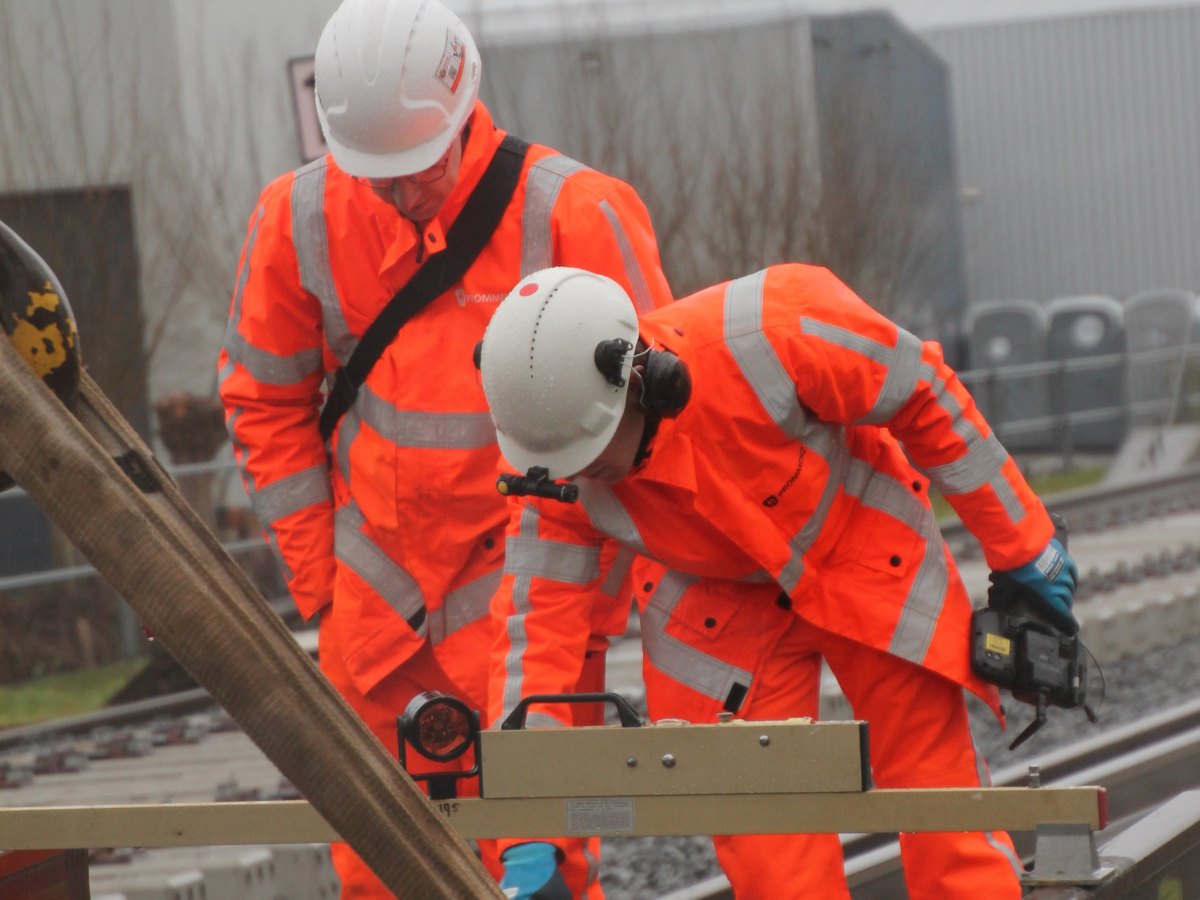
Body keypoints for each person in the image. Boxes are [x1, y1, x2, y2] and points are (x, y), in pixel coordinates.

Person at [217, 0, 673, 896]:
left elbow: (647, 436)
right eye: (375, 173)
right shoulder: (299, 217)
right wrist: (323, 587)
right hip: (377, 627)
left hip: (533, 622)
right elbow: (263, 405)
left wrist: (601, 609)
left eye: (415, 171)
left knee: (541, 875)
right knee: (383, 874)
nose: (395, 193)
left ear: (465, 113)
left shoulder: (577, 212)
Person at [479, 265, 1079, 899]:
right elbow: (532, 640)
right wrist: (526, 832)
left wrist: (1026, 551)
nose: (591, 476)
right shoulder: (551, 466)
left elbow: (925, 393)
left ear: (642, 383)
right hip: (713, 614)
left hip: (862, 559)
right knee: (773, 863)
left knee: (944, 813)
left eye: (599, 455)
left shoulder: (779, 328)